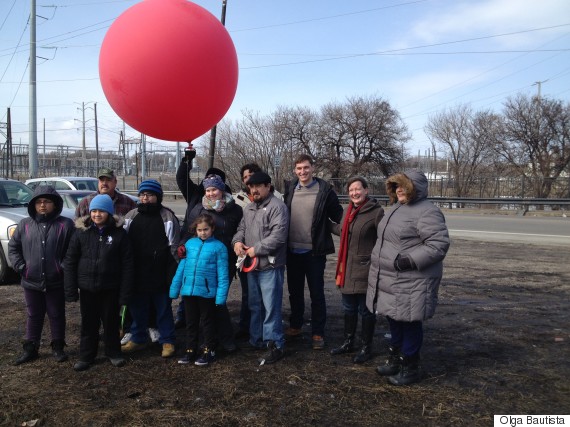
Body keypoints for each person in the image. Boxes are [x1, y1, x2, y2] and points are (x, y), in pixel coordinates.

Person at [367, 170, 450, 386]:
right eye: (396, 186)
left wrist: (408, 260)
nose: (399, 189)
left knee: (410, 321)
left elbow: (438, 245)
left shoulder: (427, 212)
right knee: (394, 318)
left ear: (416, 187)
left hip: (412, 279)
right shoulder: (397, 208)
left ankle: (411, 366)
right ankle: (396, 359)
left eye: (403, 186)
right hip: (392, 278)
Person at [64, 194, 135, 371]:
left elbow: (127, 264)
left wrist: (125, 293)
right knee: (89, 324)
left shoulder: (119, 234)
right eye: (94, 211)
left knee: (111, 323)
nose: (97, 214)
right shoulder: (81, 233)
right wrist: (71, 289)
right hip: (87, 288)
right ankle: (86, 356)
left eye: (101, 211)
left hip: (110, 288)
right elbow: (70, 260)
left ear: (109, 213)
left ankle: (114, 353)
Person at [8, 186, 75, 365]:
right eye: (39, 202)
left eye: (47, 201)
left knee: (56, 313)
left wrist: (61, 267)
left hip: (55, 280)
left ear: (55, 204)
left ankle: (58, 346)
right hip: (31, 280)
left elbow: (72, 251)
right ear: (33, 205)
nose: (43, 205)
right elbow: (14, 248)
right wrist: (22, 267)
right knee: (34, 314)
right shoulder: (25, 225)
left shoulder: (65, 225)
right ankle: (31, 348)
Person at [283, 154, 343, 349]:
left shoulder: (325, 191)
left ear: (313, 168)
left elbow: (338, 216)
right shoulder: (291, 188)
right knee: (295, 292)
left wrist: (343, 230)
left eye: (306, 168)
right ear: (295, 170)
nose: (303, 172)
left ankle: (318, 332)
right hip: (292, 251)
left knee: (317, 294)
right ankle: (296, 325)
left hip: (314, 252)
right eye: (299, 168)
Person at [181, 173, 242, 354]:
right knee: (205, 303)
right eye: (207, 190)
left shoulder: (235, 209)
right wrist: (182, 248)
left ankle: (225, 338)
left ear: (221, 190)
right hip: (202, 263)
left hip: (225, 261)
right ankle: (211, 338)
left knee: (218, 300)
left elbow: (240, 231)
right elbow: (188, 232)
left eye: (214, 189)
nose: (210, 193)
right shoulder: (199, 209)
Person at [232, 171, 289, 364]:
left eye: (258, 186)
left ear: (267, 186)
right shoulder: (248, 208)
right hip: (251, 267)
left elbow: (278, 236)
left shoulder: (277, 207)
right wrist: (237, 243)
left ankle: (275, 344)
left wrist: (257, 249)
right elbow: (241, 229)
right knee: (255, 306)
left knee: (271, 307)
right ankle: (256, 339)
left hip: (270, 267)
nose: (254, 190)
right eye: (251, 187)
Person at [121, 180, 179, 358]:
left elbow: (174, 248)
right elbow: (122, 243)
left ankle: (167, 340)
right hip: (137, 273)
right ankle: (138, 338)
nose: (145, 198)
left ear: (157, 197)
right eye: (142, 195)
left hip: (160, 274)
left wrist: (171, 275)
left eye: (150, 195)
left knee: (163, 309)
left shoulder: (167, 217)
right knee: (138, 308)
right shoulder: (131, 215)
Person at [174, 147, 230, 328]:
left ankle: (217, 328)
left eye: (215, 184)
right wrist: (187, 161)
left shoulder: (230, 206)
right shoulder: (195, 195)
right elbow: (181, 179)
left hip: (218, 254)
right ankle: (184, 318)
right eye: (207, 181)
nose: (211, 189)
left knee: (214, 293)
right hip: (192, 249)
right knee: (189, 285)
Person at [330, 177, 384, 363]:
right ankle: (348, 342)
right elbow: (344, 230)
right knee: (348, 308)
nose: (354, 193)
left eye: (358, 189)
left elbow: (384, 240)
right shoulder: (348, 211)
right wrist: (327, 224)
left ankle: (366, 347)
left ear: (366, 190)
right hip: (347, 269)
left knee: (366, 311)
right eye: (351, 190)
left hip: (366, 270)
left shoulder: (376, 213)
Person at [170, 214, 230, 366]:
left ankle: (209, 349)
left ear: (212, 229)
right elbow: (182, 268)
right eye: (200, 230)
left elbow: (223, 274)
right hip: (189, 291)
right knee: (191, 322)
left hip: (207, 293)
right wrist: (175, 288)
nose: (203, 233)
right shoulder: (190, 244)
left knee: (208, 322)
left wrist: (221, 297)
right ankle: (190, 349)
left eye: (206, 229)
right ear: (195, 230)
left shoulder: (219, 247)